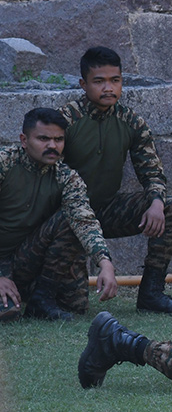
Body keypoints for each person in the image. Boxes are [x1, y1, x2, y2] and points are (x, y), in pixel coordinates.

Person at [59, 46, 172, 315]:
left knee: (170, 206)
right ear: (83, 84)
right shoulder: (65, 120)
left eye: (115, 80)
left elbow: (152, 171)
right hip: (66, 218)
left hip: (107, 211)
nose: (108, 88)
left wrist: (156, 201)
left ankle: (151, 294)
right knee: (73, 307)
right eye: (99, 81)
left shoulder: (131, 121)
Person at [0, 108, 117, 322]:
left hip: (25, 257)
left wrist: (104, 262)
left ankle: (41, 299)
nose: (52, 146)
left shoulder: (66, 177)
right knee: (7, 313)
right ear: (24, 140)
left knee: (76, 305)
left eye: (58, 139)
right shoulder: (5, 164)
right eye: (43, 139)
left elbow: (83, 219)